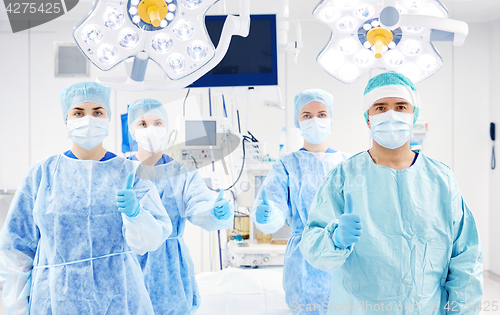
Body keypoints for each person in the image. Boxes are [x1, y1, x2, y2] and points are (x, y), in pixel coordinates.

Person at [300, 72, 483, 314]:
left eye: (400, 106)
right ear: (368, 118)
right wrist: (334, 240)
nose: (391, 114)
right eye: (380, 107)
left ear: (413, 115)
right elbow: (313, 248)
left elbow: (465, 259)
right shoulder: (344, 177)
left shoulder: (441, 180)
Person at [0, 82, 172, 315]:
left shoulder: (132, 173)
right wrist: (16, 309)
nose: (88, 119)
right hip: (54, 302)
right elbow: (16, 252)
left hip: (120, 301)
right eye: (79, 113)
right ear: (66, 120)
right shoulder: (42, 174)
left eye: (97, 112)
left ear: (108, 118)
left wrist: (136, 215)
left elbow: (151, 242)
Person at [126, 98, 234, 315]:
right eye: (142, 124)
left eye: (158, 123)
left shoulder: (182, 171)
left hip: (171, 267)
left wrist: (214, 210)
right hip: (128, 264)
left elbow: (199, 204)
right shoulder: (120, 170)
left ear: (167, 128)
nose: (150, 130)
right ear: (131, 131)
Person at [250, 89, 351, 314]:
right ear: (298, 121)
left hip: (342, 252)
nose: (315, 120)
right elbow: (274, 208)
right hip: (304, 261)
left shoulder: (347, 163)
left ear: (331, 119)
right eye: (307, 115)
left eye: (322, 114)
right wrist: (268, 214)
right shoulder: (287, 165)